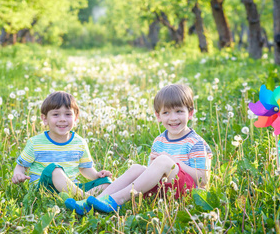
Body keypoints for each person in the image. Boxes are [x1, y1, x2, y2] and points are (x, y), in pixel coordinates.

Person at [65, 84, 212, 214]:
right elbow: (150, 175)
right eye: (166, 113)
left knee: (163, 161)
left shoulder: (195, 142)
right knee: (137, 168)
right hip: (162, 192)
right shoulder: (159, 141)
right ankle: (93, 201)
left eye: (179, 111)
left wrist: (173, 161)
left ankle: (116, 200)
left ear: (190, 113)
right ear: (158, 116)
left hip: (188, 192)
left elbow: (203, 180)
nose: (173, 118)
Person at [12, 91, 112, 214]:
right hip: (44, 190)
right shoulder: (35, 143)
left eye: (68, 114)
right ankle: (86, 199)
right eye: (56, 114)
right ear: (44, 119)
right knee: (55, 169)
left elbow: (85, 168)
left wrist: (97, 176)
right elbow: (21, 166)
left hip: (71, 188)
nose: (62, 119)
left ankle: (81, 199)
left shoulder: (79, 142)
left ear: (75, 118)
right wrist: (18, 174)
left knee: (106, 182)